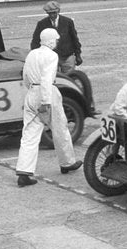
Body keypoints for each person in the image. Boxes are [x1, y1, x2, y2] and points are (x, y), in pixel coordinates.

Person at [15, 28, 82, 187]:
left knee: (29, 134)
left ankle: (24, 171)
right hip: (47, 94)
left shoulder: (31, 54)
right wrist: (45, 102)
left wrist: (32, 91)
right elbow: (46, 79)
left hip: (31, 93)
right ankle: (67, 162)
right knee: (60, 128)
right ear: (51, 40)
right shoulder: (52, 56)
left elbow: (25, 75)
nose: (57, 42)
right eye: (56, 40)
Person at [31, 1, 82, 73]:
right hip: (50, 58)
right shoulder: (41, 24)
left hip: (67, 56)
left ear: (58, 11)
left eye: (54, 13)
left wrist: (78, 54)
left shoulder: (68, 22)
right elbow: (35, 41)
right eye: (49, 13)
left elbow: (75, 39)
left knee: (69, 79)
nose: (52, 15)